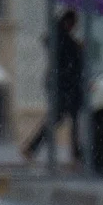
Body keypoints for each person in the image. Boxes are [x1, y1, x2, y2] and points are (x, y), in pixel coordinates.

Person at [21, 9, 85, 166]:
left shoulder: (59, 37)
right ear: (68, 22)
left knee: (65, 118)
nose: (74, 27)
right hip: (64, 85)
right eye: (73, 24)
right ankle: (74, 153)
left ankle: (33, 147)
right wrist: (79, 49)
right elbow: (69, 60)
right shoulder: (62, 39)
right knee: (64, 118)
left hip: (63, 84)